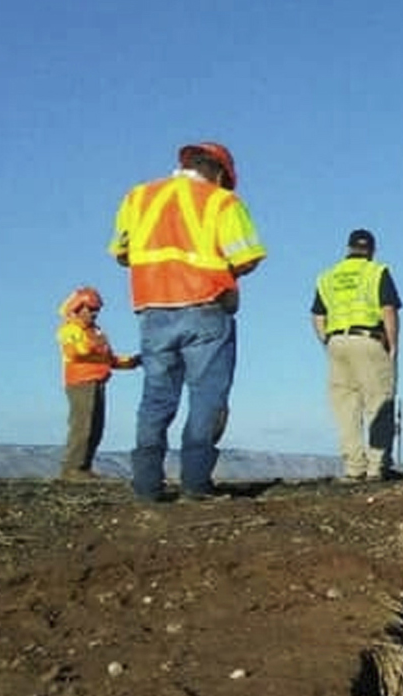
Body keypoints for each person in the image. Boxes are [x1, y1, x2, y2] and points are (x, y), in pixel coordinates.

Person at [108, 141, 266, 501]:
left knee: (156, 398)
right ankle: (195, 483)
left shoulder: (137, 197)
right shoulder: (222, 201)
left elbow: (122, 254)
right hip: (206, 309)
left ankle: (147, 485)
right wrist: (226, 279)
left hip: (152, 309)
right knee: (206, 396)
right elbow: (248, 256)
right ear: (221, 173)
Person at [311, 228, 403, 481]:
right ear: (371, 250)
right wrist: (393, 345)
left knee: (345, 407)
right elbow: (388, 310)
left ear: (348, 249)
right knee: (379, 401)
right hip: (369, 340)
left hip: (336, 342)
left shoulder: (328, 277)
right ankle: (376, 467)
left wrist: (328, 341)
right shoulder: (377, 272)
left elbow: (317, 315)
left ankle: (354, 468)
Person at [55, 286, 138, 481]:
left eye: (96, 310)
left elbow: (109, 359)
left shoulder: (96, 332)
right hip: (80, 382)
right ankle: (72, 468)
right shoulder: (69, 329)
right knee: (82, 426)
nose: (94, 313)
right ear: (77, 307)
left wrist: (132, 362)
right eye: (90, 309)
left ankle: (83, 467)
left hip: (98, 381)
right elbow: (74, 352)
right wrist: (96, 347)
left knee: (95, 427)